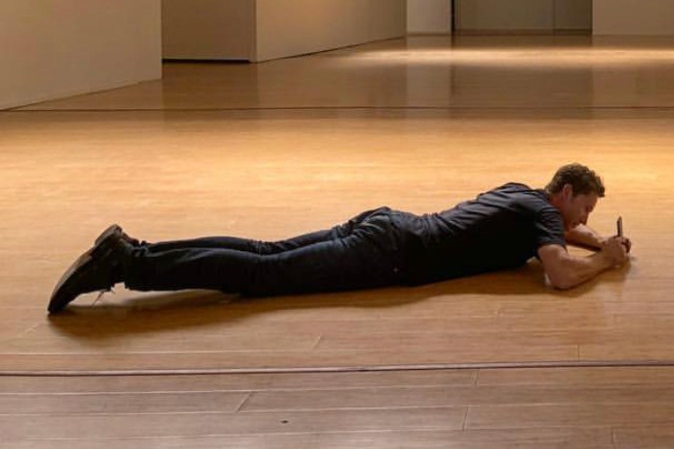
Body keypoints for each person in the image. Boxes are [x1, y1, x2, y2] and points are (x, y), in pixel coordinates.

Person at [47, 162, 630, 314]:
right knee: (260, 277)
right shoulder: (544, 221)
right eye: (586, 207)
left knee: (263, 252)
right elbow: (558, 277)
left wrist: (597, 240)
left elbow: (560, 235)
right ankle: (127, 266)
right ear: (566, 192)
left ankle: (133, 250)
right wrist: (604, 261)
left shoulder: (521, 194)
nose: (585, 220)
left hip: (384, 223)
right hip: (390, 254)